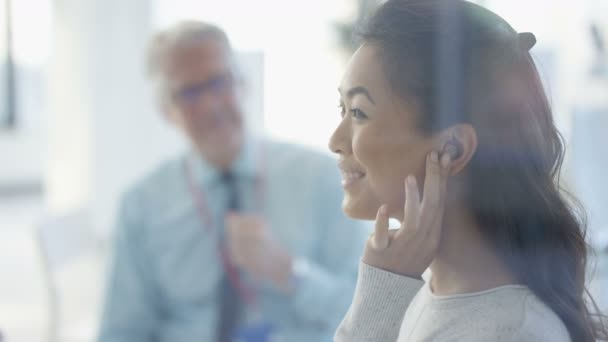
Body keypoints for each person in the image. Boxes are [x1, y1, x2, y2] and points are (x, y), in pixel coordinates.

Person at [330, 0, 608, 341]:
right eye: (341, 109)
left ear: (453, 148)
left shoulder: (512, 332)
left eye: (358, 113)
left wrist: (380, 298)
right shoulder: (421, 291)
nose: (335, 141)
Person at [97, 21, 369, 342]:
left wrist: (289, 271)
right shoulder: (141, 205)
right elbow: (122, 332)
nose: (211, 105)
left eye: (219, 82)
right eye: (189, 92)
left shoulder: (323, 177)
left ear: (244, 83)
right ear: (165, 111)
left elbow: (367, 313)